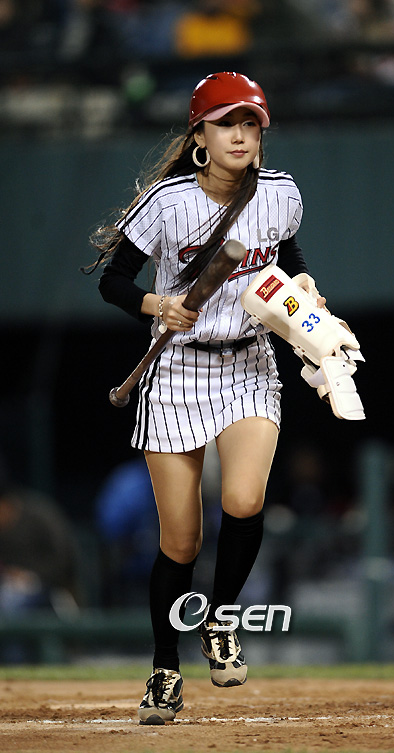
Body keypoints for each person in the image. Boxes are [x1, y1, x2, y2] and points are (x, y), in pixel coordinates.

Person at [89, 71, 326, 724]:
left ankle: (220, 622)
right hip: (176, 371)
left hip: (249, 361)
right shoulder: (167, 202)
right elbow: (113, 280)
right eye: (227, 124)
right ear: (200, 135)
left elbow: (287, 256)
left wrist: (304, 287)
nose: (241, 135)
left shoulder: (279, 192)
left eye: (251, 123)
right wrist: (156, 303)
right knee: (181, 541)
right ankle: (165, 666)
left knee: (245, 500)